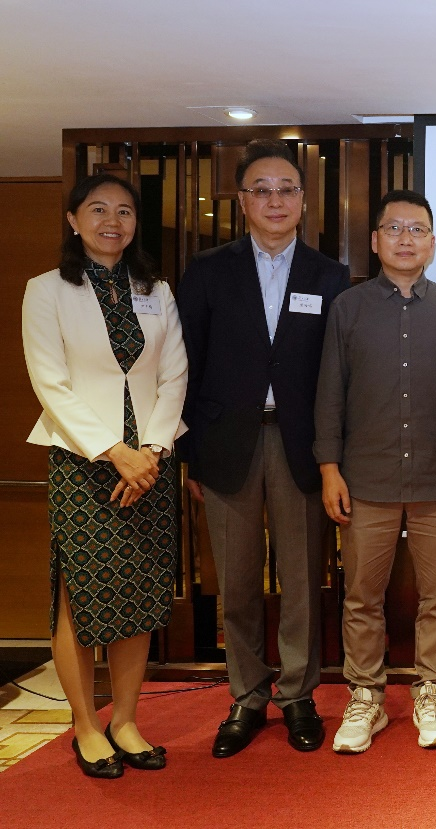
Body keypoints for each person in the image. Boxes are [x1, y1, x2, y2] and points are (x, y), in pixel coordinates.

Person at [178, 139, 350, 757]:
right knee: (238, 580)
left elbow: (339, 374)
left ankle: (298, 694)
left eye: (286, 190)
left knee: (302, 578)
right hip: (227, 445)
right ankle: (247, 695)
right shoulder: (208, 270)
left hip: (302, 445)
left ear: (303, 201)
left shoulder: (329, 275)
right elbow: (185, 363)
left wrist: (336, 456)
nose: (275, 200)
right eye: (262, 190)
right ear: (242, 201)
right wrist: (190, 453)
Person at [22, 174, 188, 778]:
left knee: (138, 590)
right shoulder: (46, 290)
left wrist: (151, 451)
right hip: (82, 459)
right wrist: (114, 451)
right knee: (82, 592)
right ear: (73, 220)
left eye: (123, 211)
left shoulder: (156, 290)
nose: (111, 221)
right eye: (97, 209)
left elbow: (174, 374)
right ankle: (86, 727)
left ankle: (125, 720)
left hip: (151, 461)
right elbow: (50, 382)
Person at [314, 190, 436, 753]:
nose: (405, 239)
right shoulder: (349, 308)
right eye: (394, 228)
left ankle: (431, 690)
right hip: (367, 478)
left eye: (417, 230)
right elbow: (329, 394)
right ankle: (366, 697)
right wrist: (329, 468)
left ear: (432, 242)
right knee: (363, 597)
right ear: (375, 240)